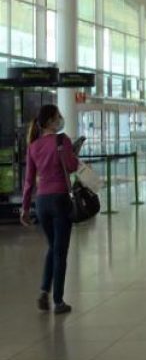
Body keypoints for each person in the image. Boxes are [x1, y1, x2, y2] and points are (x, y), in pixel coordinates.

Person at [20, 105, 80, 314]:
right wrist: (73, 153)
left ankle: (44, 291)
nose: (61, 120)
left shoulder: (33, 146)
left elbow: (28, 182)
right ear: (52, 120)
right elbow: (72, 166)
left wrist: (25, 208)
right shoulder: (62, 141)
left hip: (42, 202)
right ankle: (59, 301)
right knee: (60, 252)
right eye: (59, 117)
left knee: (52, 247)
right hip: (60, 199)